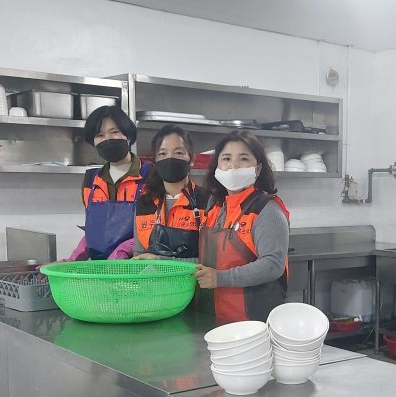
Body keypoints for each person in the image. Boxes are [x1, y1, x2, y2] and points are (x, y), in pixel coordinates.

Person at [194, 131, 290, 324]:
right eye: (226, 158)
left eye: (244, 159)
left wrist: (220, 278)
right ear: (217, 166)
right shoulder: (215, 208)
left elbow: (273, 265)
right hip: (213, 319)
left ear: (258, 168)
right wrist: (163, 261)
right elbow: (206, 260)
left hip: (252, 323)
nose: (233, 165)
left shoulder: (267, 209)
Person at [63, 105, 151, 261]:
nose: (107, 139)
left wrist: (124, 249)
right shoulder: (91, 180)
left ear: (128, 135)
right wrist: (74, 259)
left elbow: (156, 229)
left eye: (114, 132)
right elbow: (94, 231)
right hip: (101, 270)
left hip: (139, 267)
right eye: (100, 135)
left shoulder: (151, 176)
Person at [133, 124, 209, 261]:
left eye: (178, 153)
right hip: (151, 275)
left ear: (192, 159)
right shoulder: (144, 203)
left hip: (195, 276)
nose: (170, 158)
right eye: (162, 154)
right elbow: (139, 257)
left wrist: (162, 261)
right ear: (155, 161)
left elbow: (213, 261)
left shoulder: (208, 200)